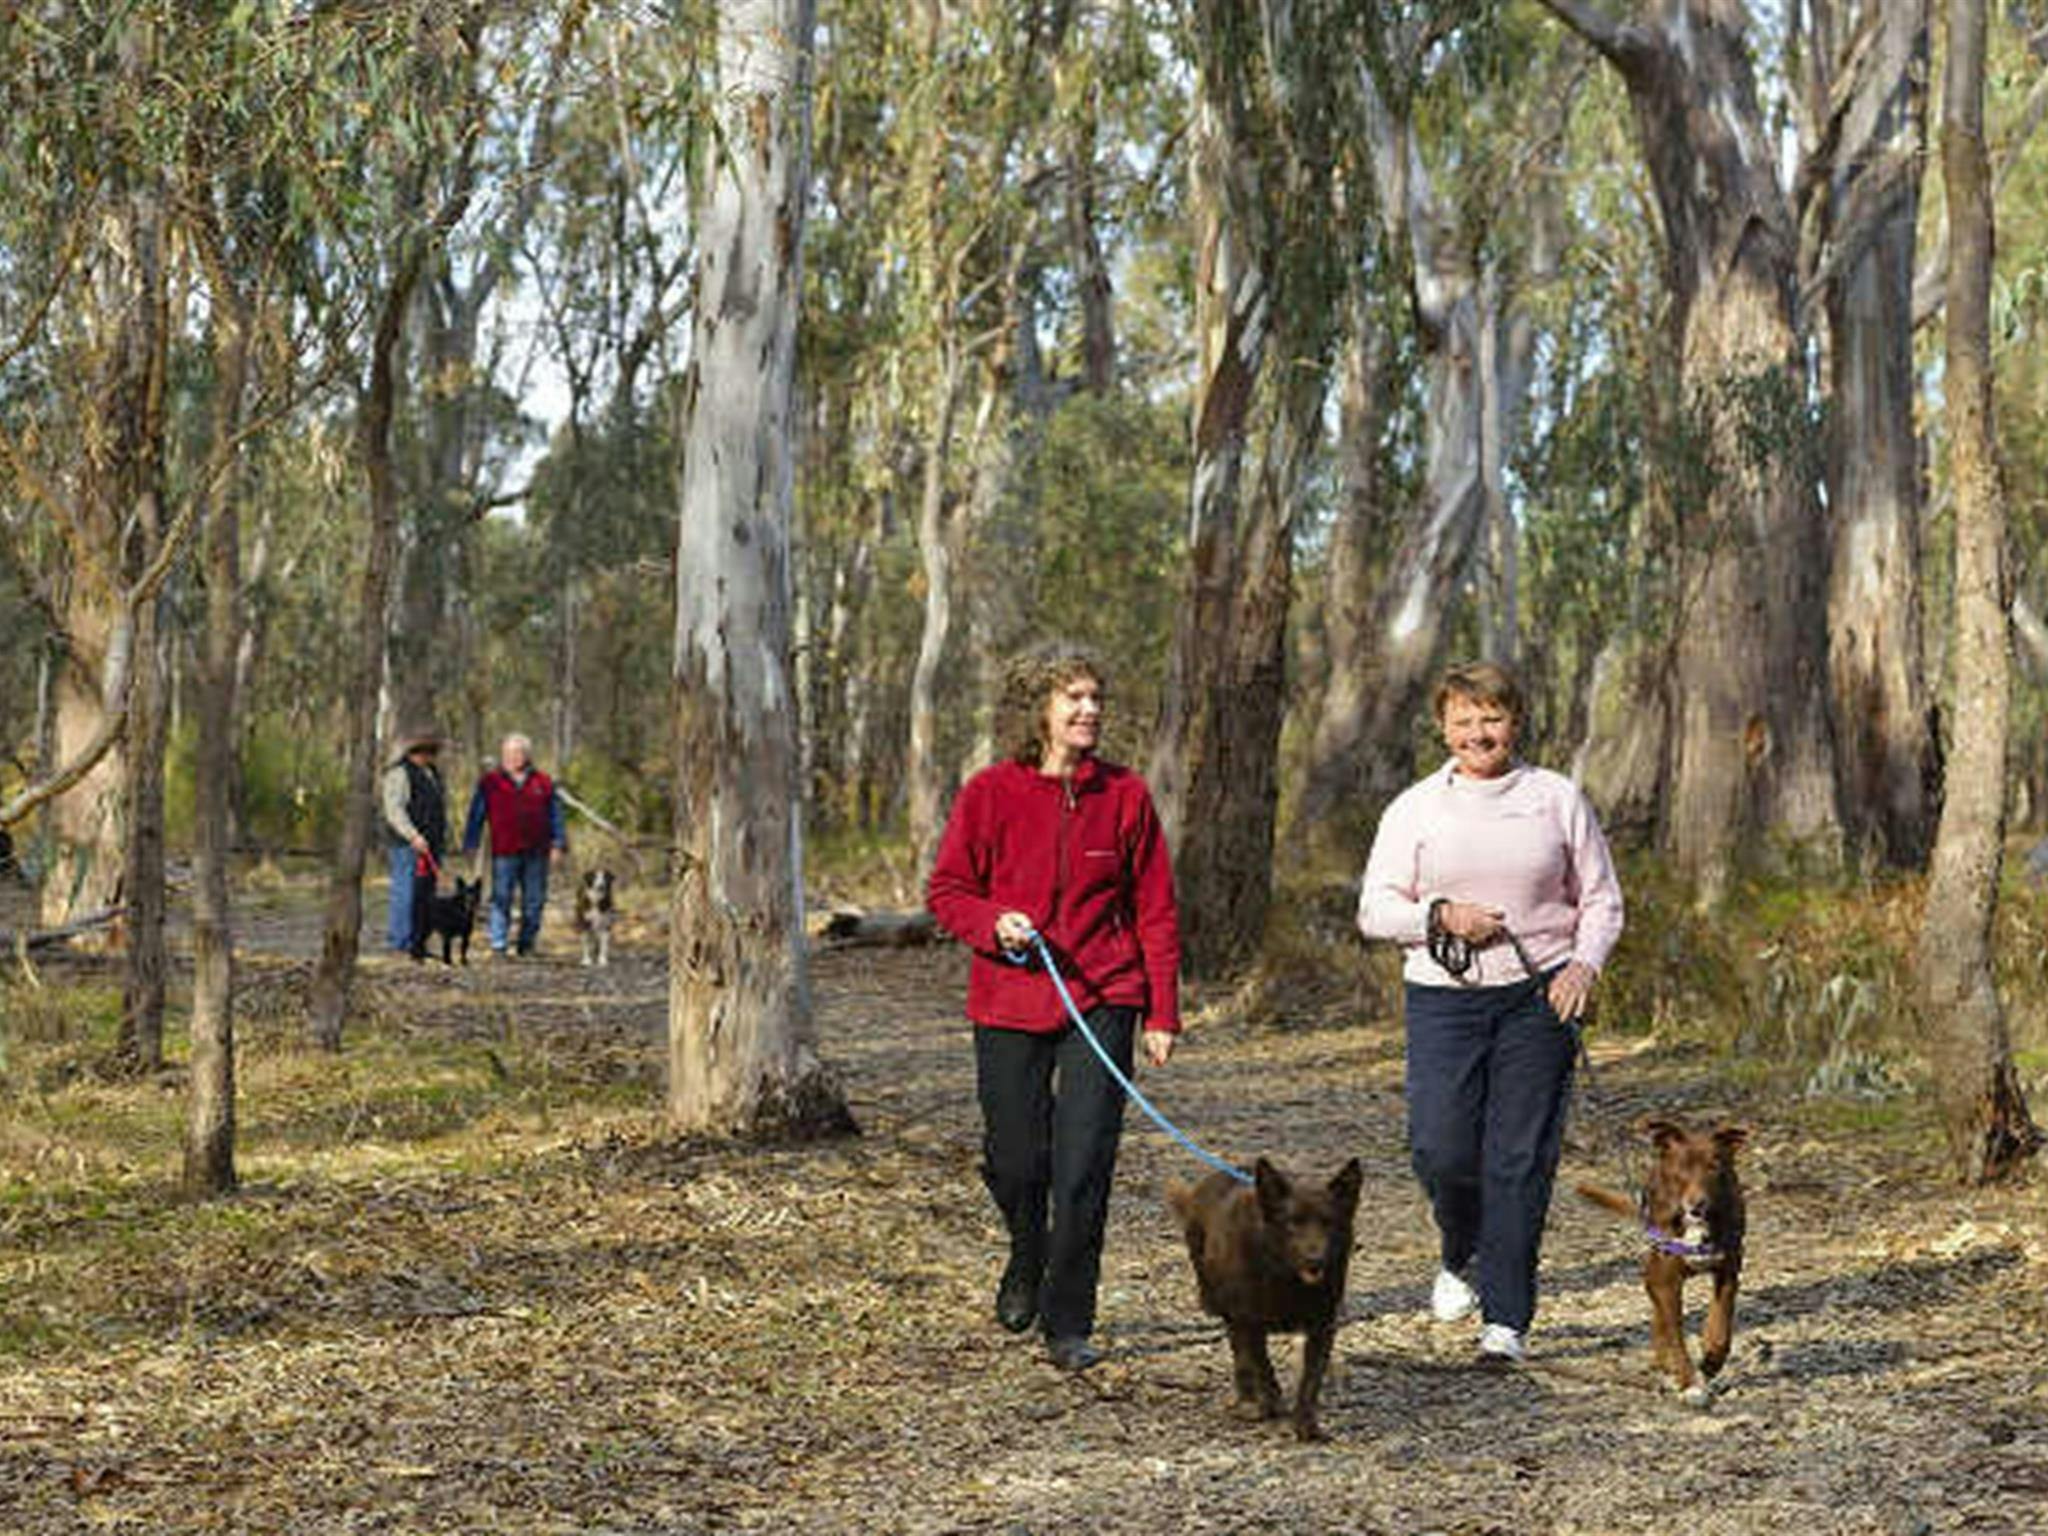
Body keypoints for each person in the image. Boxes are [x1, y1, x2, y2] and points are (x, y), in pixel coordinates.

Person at [1355, 660, 1623, 1363]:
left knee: (1519, 1158)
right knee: (1439, 1148)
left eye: (1492, 717)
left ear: (1516, 721)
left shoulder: (1555, 798)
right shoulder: (1414, 808)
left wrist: (1583, 964)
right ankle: (1460, 1247)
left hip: (1538, 999)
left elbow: (1601, 899)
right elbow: (1375, 909)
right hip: (1444, 1000)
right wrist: (1440, 914)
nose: (1479, 732)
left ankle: (1506, 1319)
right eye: (1464, 719)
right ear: (1444, 727)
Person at [927, 642, 1182, 1374]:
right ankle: (1025, 1255)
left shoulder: (1126, 795)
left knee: (1083, 1165)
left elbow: (1156, 911)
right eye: (1073, 697)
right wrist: (993, 923)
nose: (1089, 710)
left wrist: (1161, 1011)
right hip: (1009, 998)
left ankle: (1069, 1317)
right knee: (1016, 1160)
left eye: (1096, 697)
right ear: (1036, 708)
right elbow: (948, 892)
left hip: (1103, 997)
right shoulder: (989, 793)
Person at [461, 733, 568, 957]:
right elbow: (476, 815)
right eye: (508, 753)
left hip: (537, 850)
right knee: (501, 898)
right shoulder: (490, 782)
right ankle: (498, 945)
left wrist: (558, 844)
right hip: (504, 850)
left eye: (518, 752)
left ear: (527, 755)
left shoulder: (544, 782)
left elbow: (556, 815)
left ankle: (526, 944)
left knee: (534, 900)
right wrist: (471, 843)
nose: (513, 757)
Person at [380, 725, 450, 958]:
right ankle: (400, 940)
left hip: (431, 844)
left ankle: (419, 942)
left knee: (426, 895)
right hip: (407, 845)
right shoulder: (398, 774)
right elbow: (394, 810)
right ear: (414, 752)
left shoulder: (433, 773)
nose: (429, 756)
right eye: (426, 751)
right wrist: (413, 835)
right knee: (405, 892)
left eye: (432, 751)